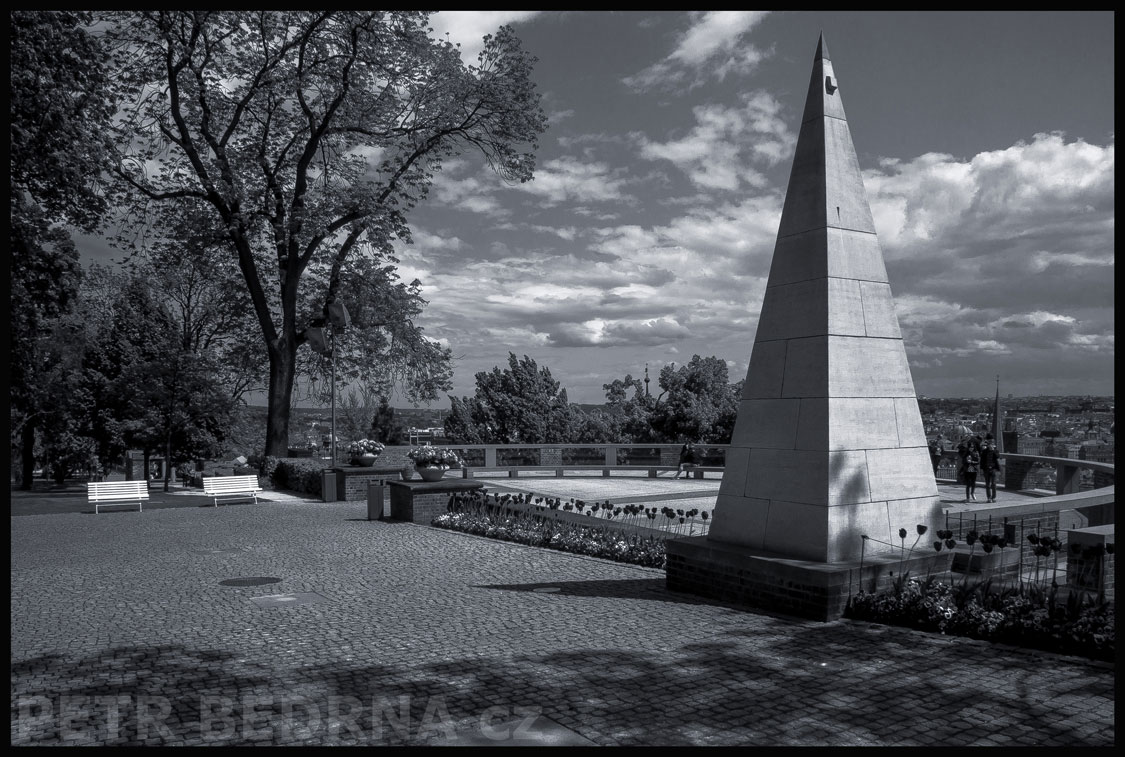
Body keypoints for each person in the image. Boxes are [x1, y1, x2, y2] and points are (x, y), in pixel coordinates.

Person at [979, 433, 1002, 503]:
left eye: (991, 441)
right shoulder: (984, 450)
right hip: (986, 468)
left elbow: (997, 456)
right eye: (989, 441)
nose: (990, 443)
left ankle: (993, 497)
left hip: (993, 468)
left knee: (994, 483)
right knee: (987, 484)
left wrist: (993, 450)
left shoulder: (995, 449)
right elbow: (982, 459)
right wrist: (982, 469)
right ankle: (989, 497)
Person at [963, 439, 981, 503]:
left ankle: (972, 493)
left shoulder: (976, 453)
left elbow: (978, 461)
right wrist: (966, 461)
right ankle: (967, 497)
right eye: (970, 447)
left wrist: (972, 462)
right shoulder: (966, 453)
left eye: (972, 447)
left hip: (974, 469)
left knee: (973, 483)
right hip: (967, 470)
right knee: (968, 484)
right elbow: (963, 461)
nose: (971, 448)